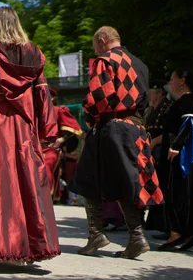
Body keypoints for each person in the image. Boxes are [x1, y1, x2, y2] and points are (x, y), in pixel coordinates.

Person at [0, 7, 61, 265]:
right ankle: (27, 247)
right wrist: (48, 128)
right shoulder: (34, 52)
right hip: (24, 126)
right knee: (27, 184)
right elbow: (43, 93)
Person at [69, 26, 163, 259]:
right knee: (126, 182)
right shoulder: (141, 64)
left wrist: (89, 113)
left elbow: (100, 98)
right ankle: (136, 238)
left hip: (112, 127)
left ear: (102, 41)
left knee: (86, 178)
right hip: (136, 128)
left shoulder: (105, 61)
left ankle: (97, 234)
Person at [158, 69, 193, 251]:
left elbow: (188, 125)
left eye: (172, 78)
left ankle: (178, 231)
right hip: (175, 150)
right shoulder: (182, 100)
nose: (170, 82)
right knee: (181, 191)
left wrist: (176, 146)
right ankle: (190, 230)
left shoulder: (188, 99)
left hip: (180, 154)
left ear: (182, 80)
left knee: (177, 191)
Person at [143, 80, 172, 237]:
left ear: (160, 92)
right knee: (155, 186)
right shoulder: (151, 110)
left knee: (164, 187)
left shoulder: (167, 108)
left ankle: (168, 226)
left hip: (162, 150)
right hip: (152, 152)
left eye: (152, 91)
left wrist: (154, 142)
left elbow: (169, 131)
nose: (149, 94)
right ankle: (158, 223)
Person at [43, 89, 82, 201]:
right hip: (35, 148)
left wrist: (61, 139)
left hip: (52, 148)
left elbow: (74, 128)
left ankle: (46, 198)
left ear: (53, 98)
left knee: (47, 165)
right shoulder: (34, 111)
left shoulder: (59, 110)